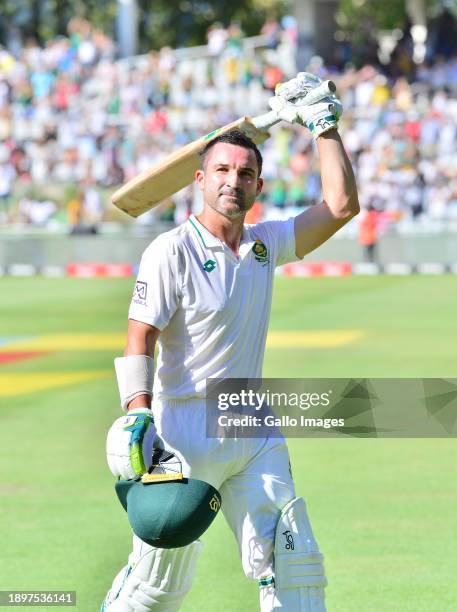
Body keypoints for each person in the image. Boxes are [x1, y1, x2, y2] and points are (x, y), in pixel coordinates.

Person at [102, 73, 359, 611]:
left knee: (296, 567)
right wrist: (137, 414)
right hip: (182, 431)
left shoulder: (267, 244)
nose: (232, 181)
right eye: (221, 170)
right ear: (200, 179)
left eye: (245, 173)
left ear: (258, 186)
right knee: (156, 587)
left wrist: (324, 125)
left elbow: (339, 207)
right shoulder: (169, 250)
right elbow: (140, 334)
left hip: (251, 423)